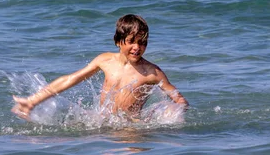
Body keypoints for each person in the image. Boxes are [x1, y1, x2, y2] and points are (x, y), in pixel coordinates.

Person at [12, 14, 189, 121]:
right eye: (131, 42)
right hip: (103, 120)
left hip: (131, 126)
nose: (137, 47)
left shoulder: (152, 73)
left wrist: (176, 111)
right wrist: (34, 100)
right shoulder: (105, 60)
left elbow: (179, 99)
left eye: (142, 43)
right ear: (118, 42)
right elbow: (71, 79)